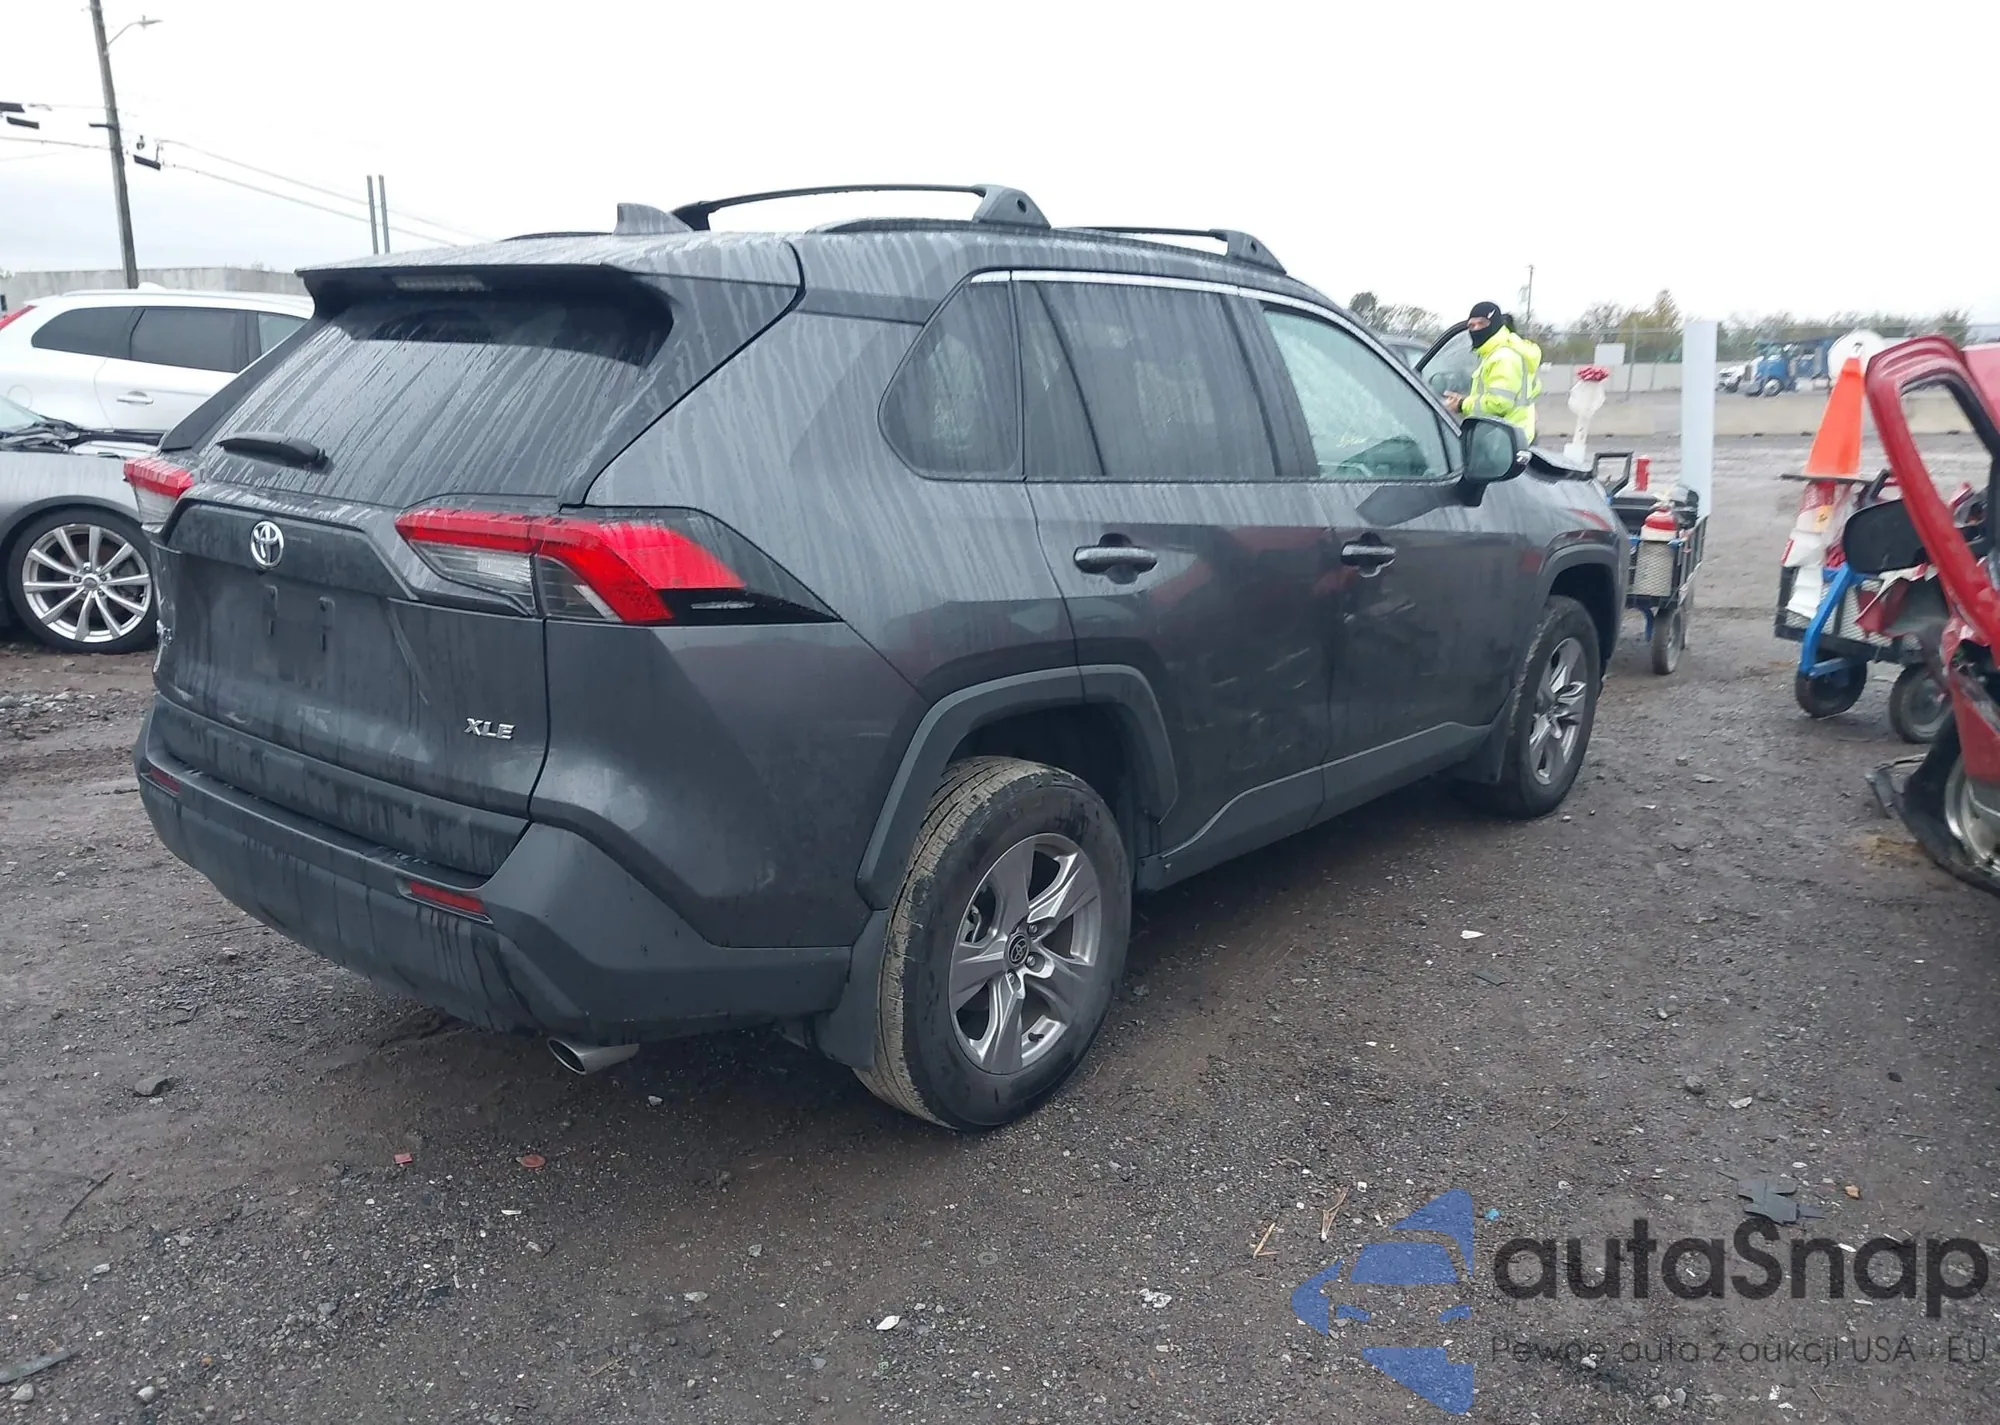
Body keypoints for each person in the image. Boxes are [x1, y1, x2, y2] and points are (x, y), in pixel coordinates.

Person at [1442, 301, 1543, 444]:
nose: (1476, 329)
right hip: (1510, 434)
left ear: (1495, 324)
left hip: (1505, 440)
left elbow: (1500, 402)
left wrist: (1462, 404)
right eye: (1471, 325)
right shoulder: (1497, 352)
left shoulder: (1503, 357)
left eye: (1481, 323)